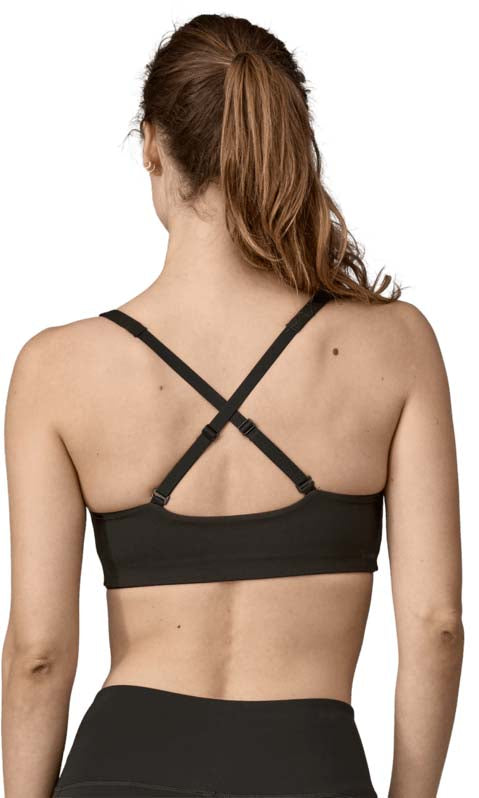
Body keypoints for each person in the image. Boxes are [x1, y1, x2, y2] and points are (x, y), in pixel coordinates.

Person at [1, 13, 463, 798]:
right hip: (310, 772)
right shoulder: (396, 346)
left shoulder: (57, 370)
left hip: (119, 771)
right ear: (286, 144)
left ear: (152, 145)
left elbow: (38, 653)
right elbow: (435, 625)